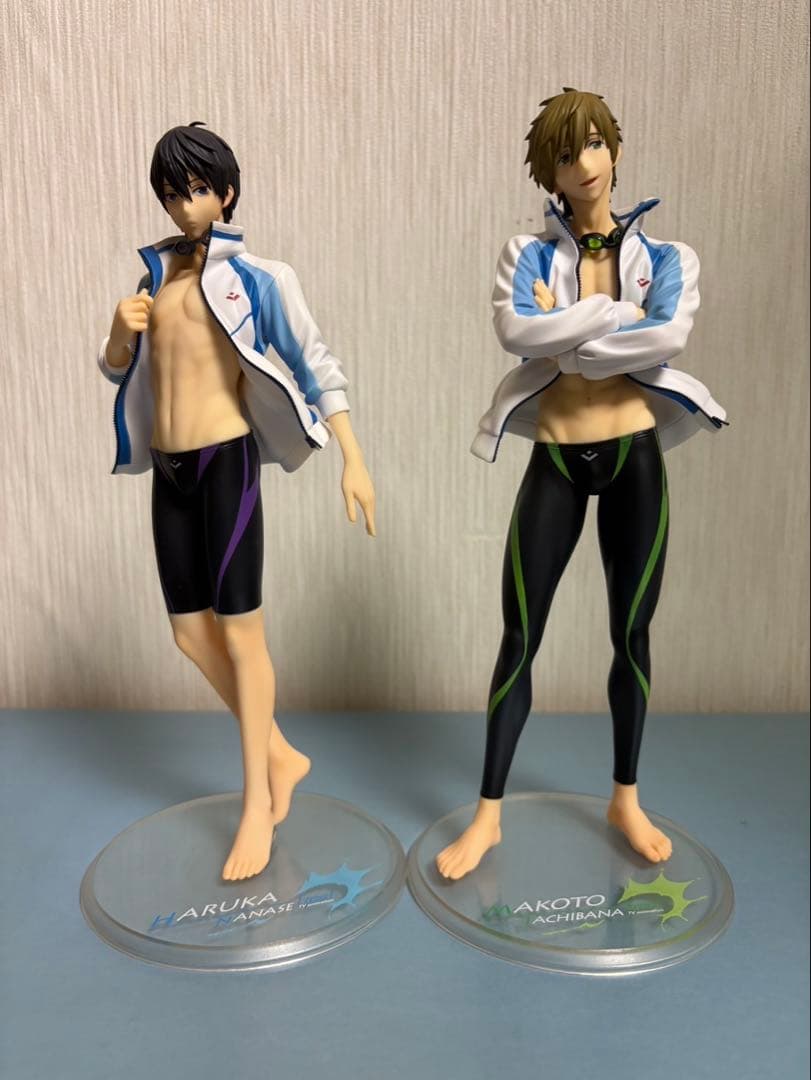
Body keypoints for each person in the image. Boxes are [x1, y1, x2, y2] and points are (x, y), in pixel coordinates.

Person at [437, 88, 727, 881]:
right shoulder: (524, 254)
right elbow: (514, 332)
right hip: (556, 458)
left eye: (594, 144)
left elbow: (666, 337)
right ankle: (487, 813)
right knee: (518, 636)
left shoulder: (668, 258)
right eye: (566, 154)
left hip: (634, 455)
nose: (583, 164)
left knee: (631, 635)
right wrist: (613, 317)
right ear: (549, 172)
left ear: (615, 150)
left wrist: (566, 332)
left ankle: (624, 798)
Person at [98, 123, 375, 882]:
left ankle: (257, 800)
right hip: (168, 469)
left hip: (226, 463)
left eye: (196, 190)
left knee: (243, 635)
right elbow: (119, 368)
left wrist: (352, 457)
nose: (184, 206)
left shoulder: (258, 278)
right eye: (171, 193)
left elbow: (315, 363)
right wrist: (118, 334)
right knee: (190, 634)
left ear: (225, 191)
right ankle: (281, 753)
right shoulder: (155, 279)